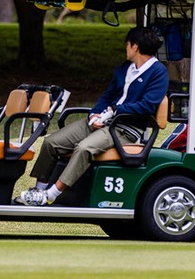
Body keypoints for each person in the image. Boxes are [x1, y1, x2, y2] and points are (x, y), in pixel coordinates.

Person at [16, 26, 168, 206]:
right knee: (51, 143)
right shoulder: (124, 68)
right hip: (104, 121)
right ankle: (39, 191)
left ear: (135, 46)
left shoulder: (158, 72)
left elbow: (148, 105)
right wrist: (94, 115)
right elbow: (108, 95)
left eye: (127, 44)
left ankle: (51, 194)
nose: (125, 48)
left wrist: (115, 110)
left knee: (84, 148)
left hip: (125, 128)